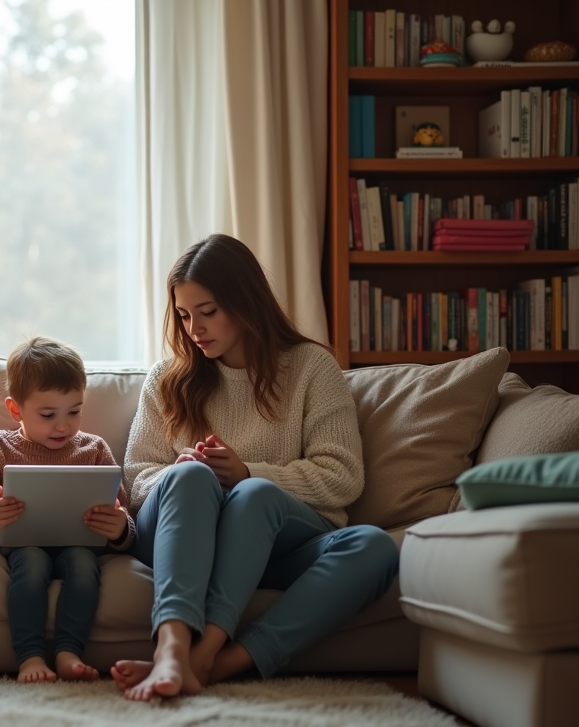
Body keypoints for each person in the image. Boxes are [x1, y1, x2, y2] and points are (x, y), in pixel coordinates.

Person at [112, 233, 399, 701]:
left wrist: (249, 474)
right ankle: (172, 648)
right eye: (184, 315)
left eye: (208, 312)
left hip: (274, 544)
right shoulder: (166, 379)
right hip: (183, 538)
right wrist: (181, 471)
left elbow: (343, 475)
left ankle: (215, 661)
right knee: (191, 475)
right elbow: (137, 476)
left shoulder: (311, 368)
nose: (194, 329)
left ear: (246, 303)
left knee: (371, 546)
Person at [0, 337, 133, 683]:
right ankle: (30, 657)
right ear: (15, 410)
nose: (63, 425)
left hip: (80, 544)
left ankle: (69, 652)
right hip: (24, 546)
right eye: (48, 414)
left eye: (74, 411)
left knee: (85, 567)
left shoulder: (94, 450)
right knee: (32, 563)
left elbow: (124, 514)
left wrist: (118, 528)